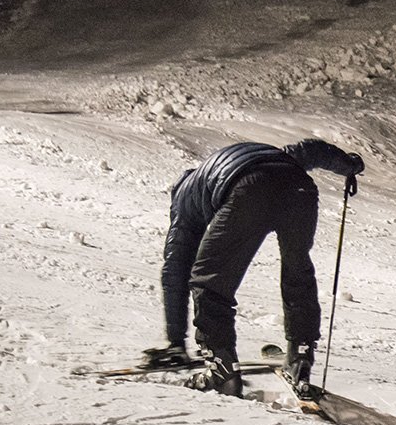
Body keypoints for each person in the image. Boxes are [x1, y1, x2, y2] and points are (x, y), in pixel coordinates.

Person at [150, 139, 364, 397]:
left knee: (208, 281)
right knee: (297, 273)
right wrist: (349, 166)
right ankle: (300, 361)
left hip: (249, 188)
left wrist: (175, 342)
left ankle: (221, 368)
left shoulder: (184, 199)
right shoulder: (244, 157)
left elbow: (176, 271)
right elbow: (313, 151)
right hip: (299, 187)